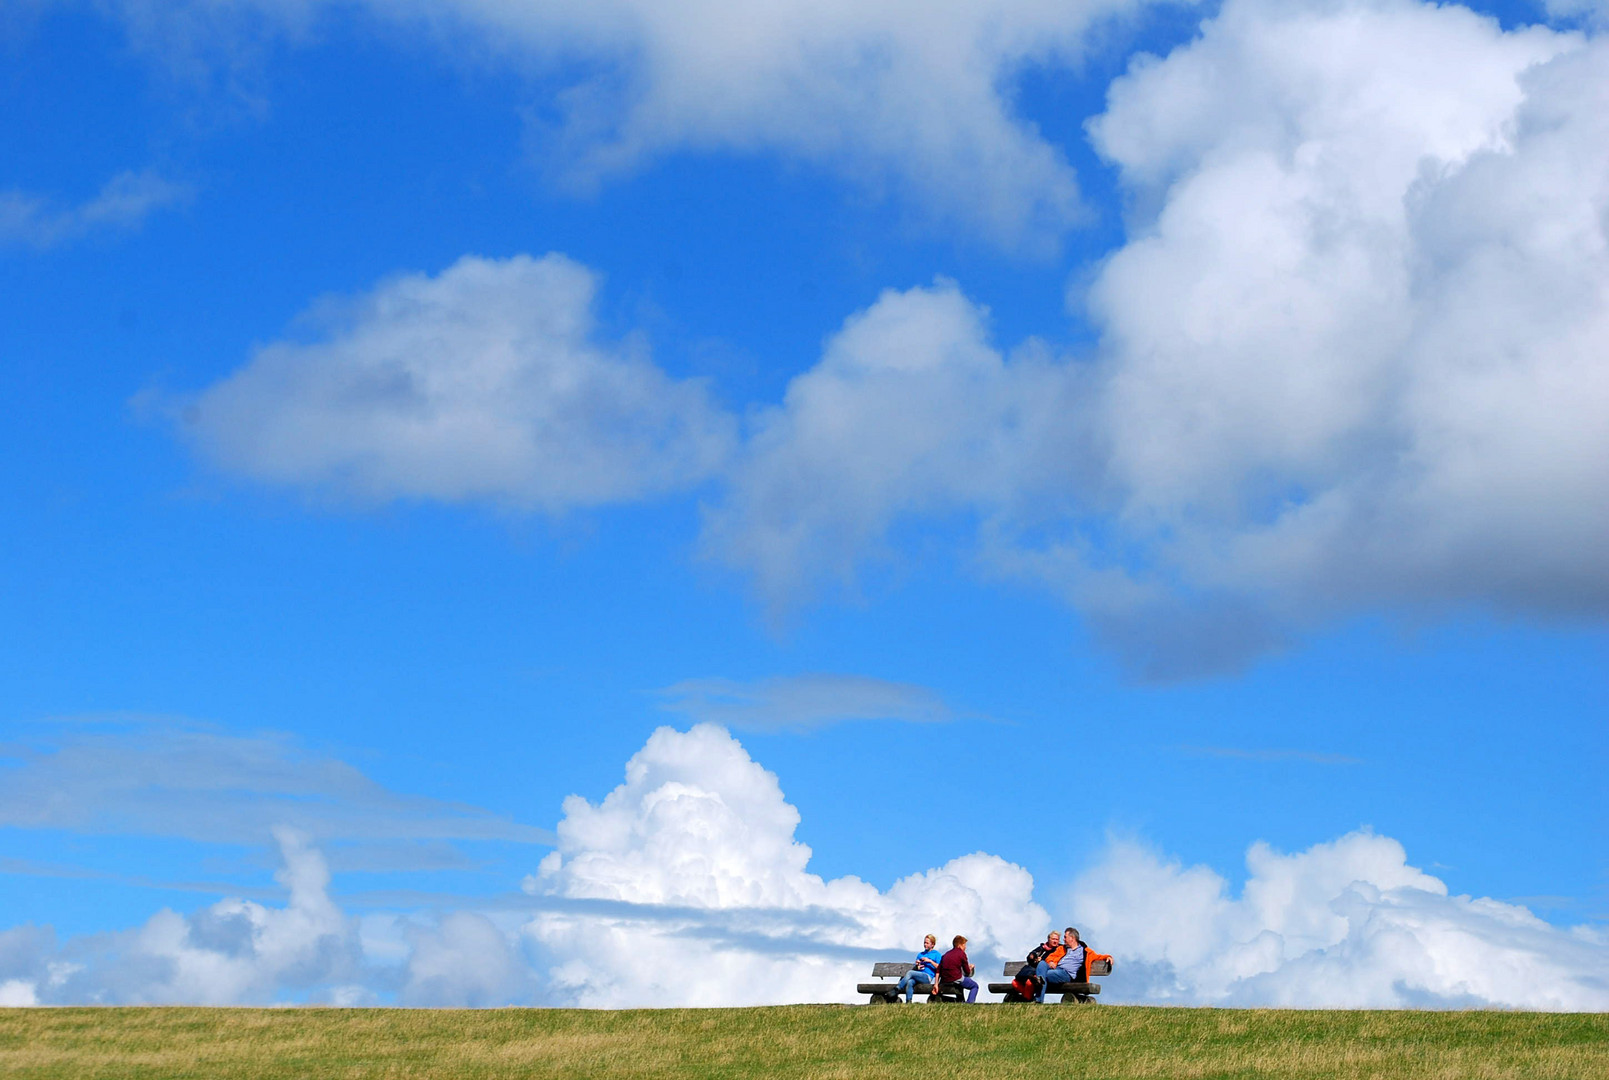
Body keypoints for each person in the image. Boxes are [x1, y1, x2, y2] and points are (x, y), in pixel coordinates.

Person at [1035, 926, 1086, 1002]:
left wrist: (1108, 957)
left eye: (1065, 937)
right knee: (1042, 963)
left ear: (1072, 938)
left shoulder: (1083, 950)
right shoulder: (1062, 948)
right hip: (1056, 969)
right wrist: (1050, 962)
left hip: (1066, 974)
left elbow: (1097, 956)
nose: (1063, 939)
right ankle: (1039, 979)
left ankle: (1038, 999)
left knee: (1043, 975)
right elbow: (1049, 957)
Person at [1012, 931, 1064, 1001]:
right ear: (1048, 939)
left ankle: (1027, 1000)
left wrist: (1042, 960)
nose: (1055, 941)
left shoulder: (1059, 949)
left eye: (1057, 939)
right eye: (1053, 939)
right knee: (1015, 982)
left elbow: (1054, 962)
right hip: (1030, 972)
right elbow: (1030, 957)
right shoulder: (1042, 947)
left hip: (1041, 974)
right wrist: (1033, 957)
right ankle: (1029, 998)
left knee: (1029, 983)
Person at [895, 935, 944, 1003]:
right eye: (924, 942)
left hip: (927, 977)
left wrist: (930, 961)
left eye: (927, 943)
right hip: (918, 975)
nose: (925, 944)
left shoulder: (936, 954)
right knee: (910, 982)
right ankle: (908, 1002)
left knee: (910, 972)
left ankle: (897, 989)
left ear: (932, 944)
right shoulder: (920, 954)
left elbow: (939, 967)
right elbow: (916, 968)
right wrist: (917, 965)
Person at [935, 935, 978, 1003]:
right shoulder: (961, 954)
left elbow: (938, 970)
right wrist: (970, 967)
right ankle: (969, 1003)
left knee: (961, 982)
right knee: (975, 986)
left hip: (944, 980)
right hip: (955, 978)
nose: (965, 947)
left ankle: (960, 1001)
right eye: (964, 945)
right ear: (960, 945)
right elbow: (967, 972)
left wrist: (936, 984)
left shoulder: (946, 954)